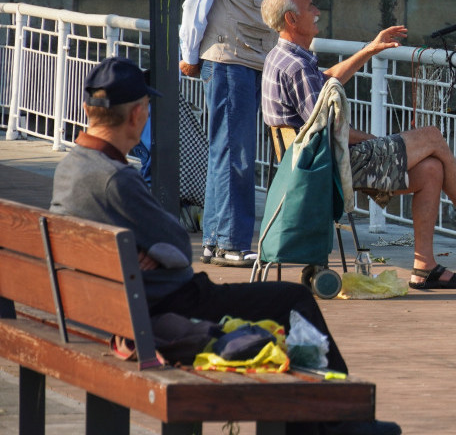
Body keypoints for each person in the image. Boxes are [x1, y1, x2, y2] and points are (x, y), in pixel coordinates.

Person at [50, 57, 399, 435]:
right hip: (165, 309)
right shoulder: (116, 180)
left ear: (89, 110)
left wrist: (148, 255)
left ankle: (321, 422)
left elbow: (164, 250)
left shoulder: (72, 167)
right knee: (292, 301)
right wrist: (152, 255)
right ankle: (339, 420)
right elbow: (180, 248)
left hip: (105, 311)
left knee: (281, 302)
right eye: (148, 108)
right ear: (136, 114)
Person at [259, 0, 456, 290]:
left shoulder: (282, 58)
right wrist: (374, 141)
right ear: (292, 19)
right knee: (433, 137)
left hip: (311, 165)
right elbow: (325, 129)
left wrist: (370, 49)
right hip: (330, 167)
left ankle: (425, 267)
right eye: (310, 7)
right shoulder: (297, 67)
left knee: (431, 169)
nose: (317, 12)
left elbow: (326, 83)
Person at [179, 0, 280, 267]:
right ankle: (233, 244)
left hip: (240, 61)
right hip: (228, 62)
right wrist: (189, 55)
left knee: (226, 151)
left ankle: (217, 241)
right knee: (235, 154)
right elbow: (195, 2)